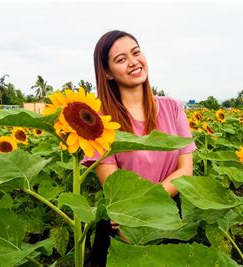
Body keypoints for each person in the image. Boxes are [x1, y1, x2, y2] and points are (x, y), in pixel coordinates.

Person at [83, 30, 196, 266]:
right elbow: (114, 185)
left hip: (166, 215)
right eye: (121, 59)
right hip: (121, 221)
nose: (133, 62)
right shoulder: (99, 120)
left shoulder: (172, 108)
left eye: (136, 53)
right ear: (107, 72)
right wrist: (131, 211)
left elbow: (186, 170)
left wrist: (146, 205)